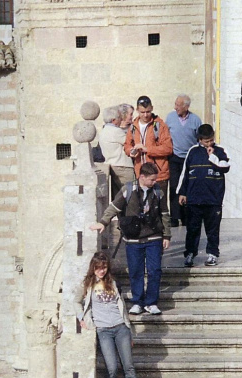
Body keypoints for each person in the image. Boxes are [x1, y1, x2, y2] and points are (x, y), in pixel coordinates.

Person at [91, 162, 170, 316]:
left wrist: (166, 235)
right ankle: (138, 301)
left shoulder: (158, 191)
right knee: (135, 271)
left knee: (155, 270)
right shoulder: (128, 190)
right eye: (152, 180)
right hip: (133, 239)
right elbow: (114, 207)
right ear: (142, 177)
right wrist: (103, 222)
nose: (155, 182)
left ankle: (151, 302)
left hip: (154, 236)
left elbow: (165, 214)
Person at [79, 251, 141, 378]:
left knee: (128, 366)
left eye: (104, 267)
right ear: (93, 267)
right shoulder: (87, 284)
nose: (101, 271)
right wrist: (81, 318)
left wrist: (129, 330)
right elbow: (76, 301)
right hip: (103, 330)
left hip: (120, 328)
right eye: (98, 268)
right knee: (112, 368)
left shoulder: (113, 282)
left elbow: (121, 306)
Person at [177, 124, 230, 268]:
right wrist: (182, 192)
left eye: (211, 140)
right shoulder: (192, 152)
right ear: (200, 140)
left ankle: (212, 254)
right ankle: (190, 254)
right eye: (206, 141)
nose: (209, 143)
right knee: (192, 229)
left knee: (212, 229)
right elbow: (185, 173)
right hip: (194, 199)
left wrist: (212, 155)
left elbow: (225, 167)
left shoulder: (219, 151)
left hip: (213, 199)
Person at [165, 94, 202, 227]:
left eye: (178, 105)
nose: (175, 107)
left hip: (189, 159)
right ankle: (174, 217)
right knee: (174, 186)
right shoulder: (170, 118)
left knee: (188, 187)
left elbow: (200, 139)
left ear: (186, 107)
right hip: (174, 157)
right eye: (175, 104)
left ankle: (187, 217)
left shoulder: (195, 120)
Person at [99, 105, 135, 197]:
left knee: (118, 198)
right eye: (119, 118)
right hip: (123, 167)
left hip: (112, 166)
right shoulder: (116, 131)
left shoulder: (103, 131)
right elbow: (130, 143)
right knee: (130, 196)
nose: (120, 120)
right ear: (113, 120)